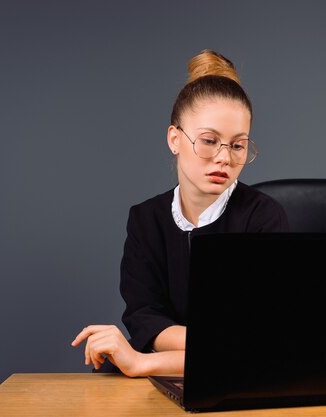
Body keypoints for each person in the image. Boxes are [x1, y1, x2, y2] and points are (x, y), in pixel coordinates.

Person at [71, 49, 289, 377]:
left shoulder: (263, 218)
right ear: (175, 139)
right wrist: (218, 345)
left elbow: (258, 345)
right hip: (167, 381)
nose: (224, 158)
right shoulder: (146, 220)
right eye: (209, 140)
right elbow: (145, 319)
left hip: (243, 381)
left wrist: (143, 362)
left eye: (238, 145)